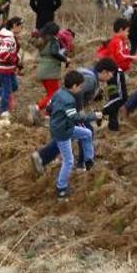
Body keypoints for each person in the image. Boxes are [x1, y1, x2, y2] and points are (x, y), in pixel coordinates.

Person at [31, 60, 113, 171]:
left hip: (64, 106)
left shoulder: (88, 73)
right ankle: (82, 165)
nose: (111, 76)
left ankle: (42, 157)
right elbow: (78, 92)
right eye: (111, 73)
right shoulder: (90, 80)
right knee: (85, 132)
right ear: (104, 72)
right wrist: (79, 112)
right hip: (70, 110)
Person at [45, 70, 94, 198]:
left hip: (63, 127)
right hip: (63, 132)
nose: (81, 88)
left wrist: (57, 116)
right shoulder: (69, 100)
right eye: (80, 86)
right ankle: (61, 188)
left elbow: (49, 108)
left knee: (87, 133)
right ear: (74, 86)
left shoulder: (58, 93)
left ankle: (89, 160)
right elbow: (75, 118)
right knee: (69, 161)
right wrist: (94, 116)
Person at [29, 22, 68, 125]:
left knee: (50, 94)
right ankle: (37, 107)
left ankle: (48, 115)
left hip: (42, 70)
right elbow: (54, 53)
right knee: (54, 95)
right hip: (51, 71)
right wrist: (65, 59)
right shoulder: (53, 41)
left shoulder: (43, 40)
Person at [0, 17, 24, 118]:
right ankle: (3, 110)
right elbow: (3, 53)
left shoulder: (6, 34)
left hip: (7, 66)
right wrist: (14, 60)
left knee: (14, 86)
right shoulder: (9, 38)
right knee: (7, 89)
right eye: (20, 27)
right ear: (14, 26)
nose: (22, 29)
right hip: (4, 67)